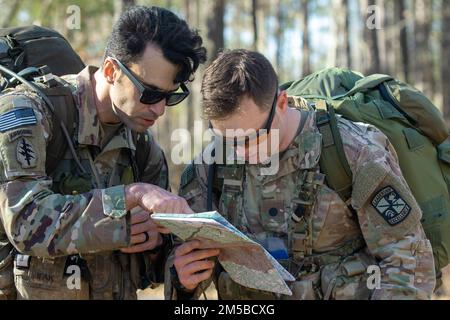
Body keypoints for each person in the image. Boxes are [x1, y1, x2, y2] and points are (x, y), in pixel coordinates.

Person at [165, 49, 436, 300]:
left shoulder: (353, 152)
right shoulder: (210, 166)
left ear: (281, 103)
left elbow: (407, 260)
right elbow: (184, 262)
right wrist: (183, 279)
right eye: (226, 138)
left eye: (251, 138)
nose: (239, 151)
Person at [0, 5, 206, 300]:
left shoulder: (143, 150)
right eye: (150, 93)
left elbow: (157, 268)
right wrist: (129, 198)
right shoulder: (31, 113)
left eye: (171, 96)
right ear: (111, 71)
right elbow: (24, 223)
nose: (159, 109)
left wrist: (169, 259)